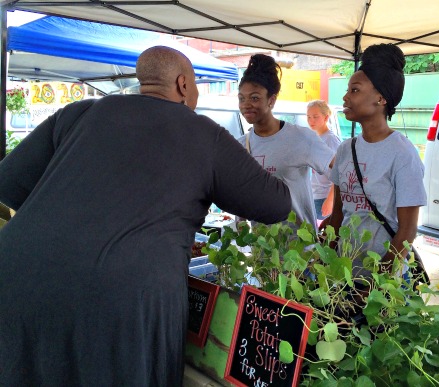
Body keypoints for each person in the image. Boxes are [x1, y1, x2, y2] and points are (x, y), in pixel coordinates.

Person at [0, 46, 291, 386]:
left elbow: (9, 182)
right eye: (195, 85)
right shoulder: (202, 133)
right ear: (183, 85)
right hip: (123, 305)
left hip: (17, 277)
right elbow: (275, 204)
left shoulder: (76, 114)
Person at [323, 43, 427, 278]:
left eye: (355, 90)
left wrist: (376, 283)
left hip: (382, 287)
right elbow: (338, 215)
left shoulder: (403, 153)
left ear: (380, 98)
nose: (345, 97)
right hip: (343, 277)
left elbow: (408, 230)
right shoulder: (345, 149)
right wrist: (326, 264)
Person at [237, 54, 335, 231]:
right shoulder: (240, 146)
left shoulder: (302, 138)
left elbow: (342, 173)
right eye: (241, 98)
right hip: (262, 252)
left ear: (271, 100)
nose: (246, 105)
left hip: (302, 252)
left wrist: (334, 220)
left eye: (254, 98)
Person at [306, 100, 341, 222]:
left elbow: (339, 171)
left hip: (324, 196)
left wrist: (330, 199)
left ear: (326, 118)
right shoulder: (315, 138)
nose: (311, 121)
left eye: (315, 117)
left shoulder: (331, 139)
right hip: (313, 194)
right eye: (308, 117)